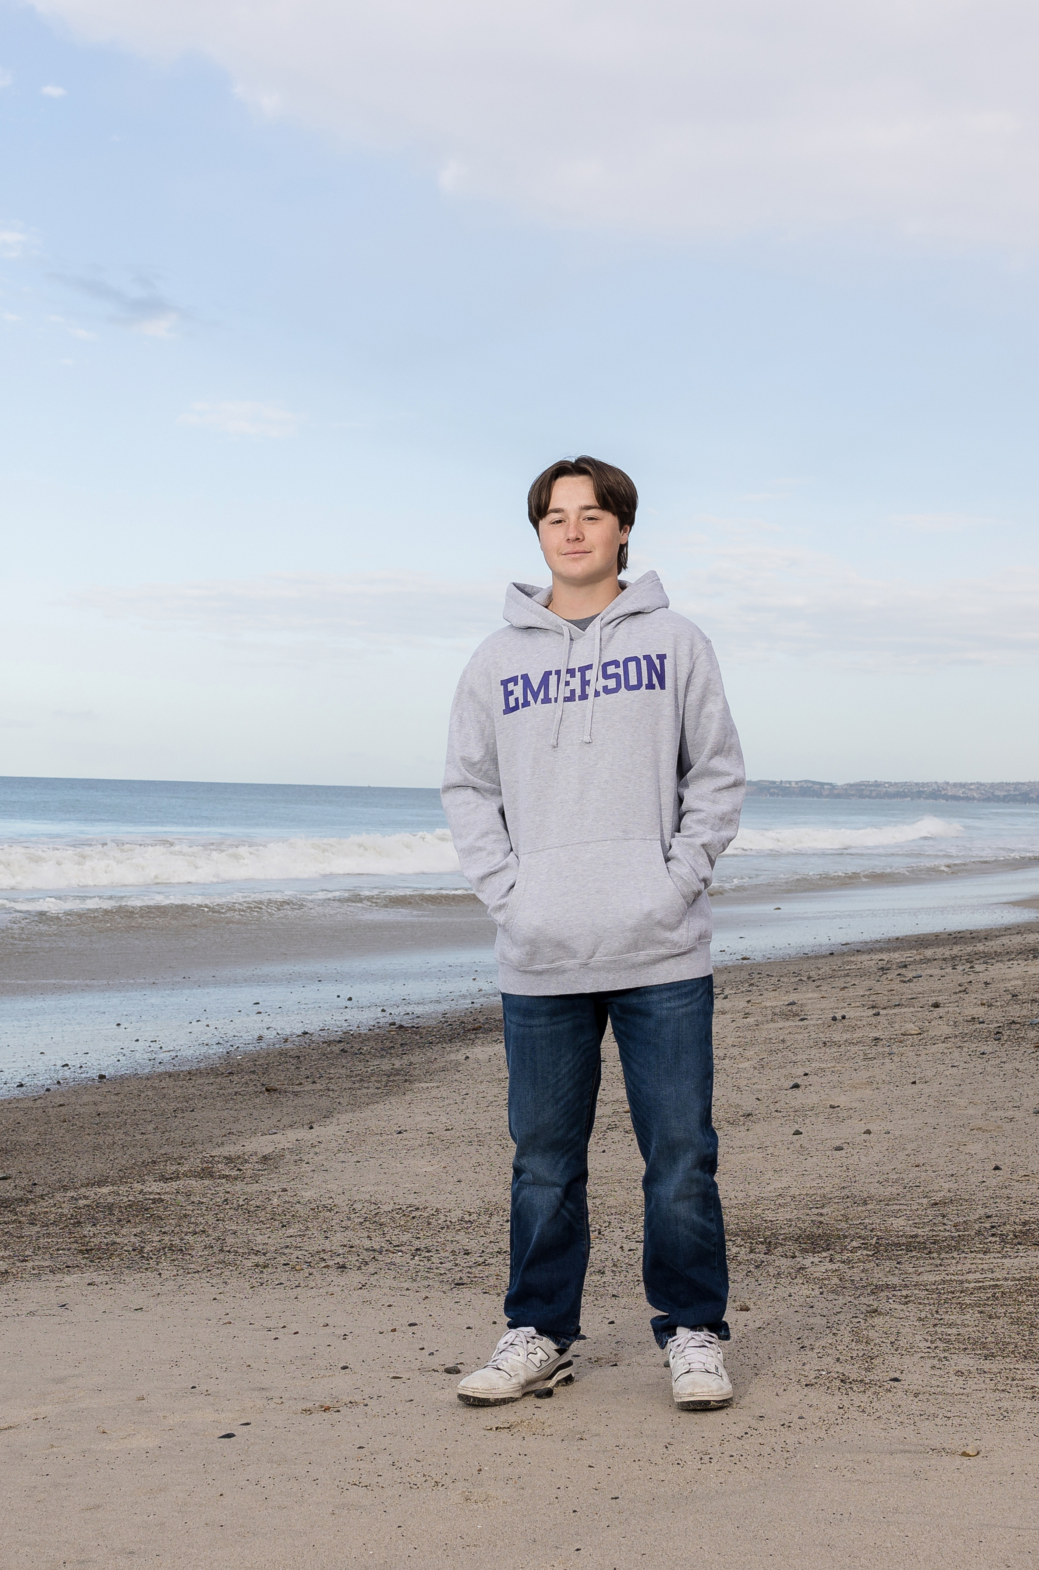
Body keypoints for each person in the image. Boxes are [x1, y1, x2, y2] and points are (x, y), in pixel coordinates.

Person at [440, 455, 747, 1412]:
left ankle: (693, 1333)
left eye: (591, 514)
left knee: (681, 1156)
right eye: (554, 517)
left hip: (660, 948)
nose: (572, 531)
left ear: (622, 528)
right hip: (539, 955)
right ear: (539, 534)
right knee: (542, 1162)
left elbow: (719, 775)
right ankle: (540, 1331)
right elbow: (468, 789)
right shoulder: (495, 660)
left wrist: (675, 885)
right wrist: (512, 897)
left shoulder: (678, 641)